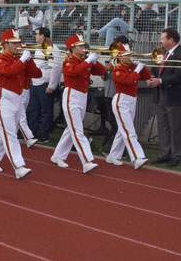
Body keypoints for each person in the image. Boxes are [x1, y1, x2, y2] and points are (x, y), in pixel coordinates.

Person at [0, 29, 41, 179]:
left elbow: (37, 74)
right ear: (6, 44)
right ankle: (19, 166)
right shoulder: (0, 58)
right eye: (15, 43)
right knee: (10, 134)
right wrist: (23, 60)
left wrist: (29, 60)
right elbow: (9, 72)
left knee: (6, 132)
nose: (18, 45)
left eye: (18, 42)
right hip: (4, 98)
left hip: (17, 97)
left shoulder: (19, 58)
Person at [51, 33, 106, 173]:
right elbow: (75, 72)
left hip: (82, 96)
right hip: (72, 96)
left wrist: (94, 61)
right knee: (77, 130)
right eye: (80, 46)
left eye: (83, 45)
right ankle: (87, 160)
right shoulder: (69, 61)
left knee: (71, 129)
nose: (83, 48)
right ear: (73, 48)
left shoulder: (84, 60)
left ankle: (57, 155)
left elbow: (101, 71)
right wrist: (88, 61)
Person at [147, 28, 181, 167]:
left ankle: (176, 155)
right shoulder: (163, 53)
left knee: (176, 127)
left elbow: (180, 76)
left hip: (174, 96)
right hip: (161, 95)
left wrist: (160, 81)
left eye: (162, 39)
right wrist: (152, 76)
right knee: (163, 126)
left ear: (171, 40)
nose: (160, 41)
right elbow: (156, 67)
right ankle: (164, 153)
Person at [106, 43, 151, 169]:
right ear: (119, 57)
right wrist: (137, 69)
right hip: (122, 101)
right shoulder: (118, 69)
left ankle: (113, 156)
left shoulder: (132, 67)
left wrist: (141, 65)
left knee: (123, 130)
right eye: (127, 55)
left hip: (132, 100)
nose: (130, 56)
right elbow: (128, 81)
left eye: (130, 54)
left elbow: (146, 76)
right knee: (129, 131)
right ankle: (137, 157)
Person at [27, 28, 61, 143]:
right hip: (36, 83)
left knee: (46, 111)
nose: (35, 36)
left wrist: (52, 85)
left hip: (45, 84)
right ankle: (32, 132)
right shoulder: (38, 48)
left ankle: (44, 134)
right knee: (33, 110)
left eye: (37, 34)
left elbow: (56, 67)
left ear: (42, 36)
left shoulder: (52, 48)